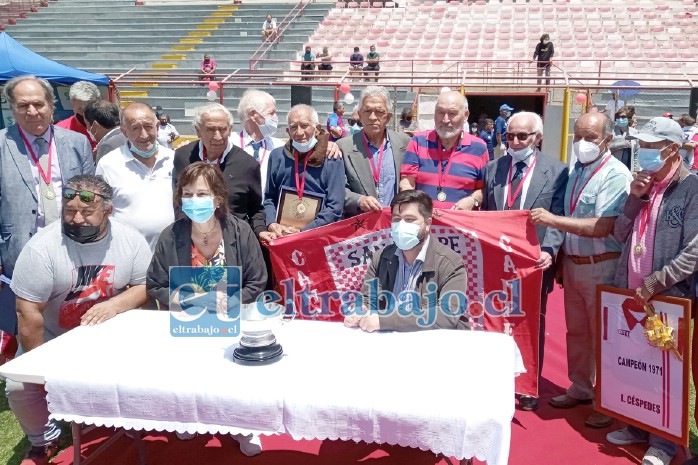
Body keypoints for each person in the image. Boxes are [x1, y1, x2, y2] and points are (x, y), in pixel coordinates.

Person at [6, 174, 151, 465]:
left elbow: (146, 286)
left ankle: (126, 418)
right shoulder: (41, 248)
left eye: (87, 212)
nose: (77, 219)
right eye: (70, 212)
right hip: (53, 339)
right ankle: (43, 439)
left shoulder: (130, 240)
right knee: (18, 384)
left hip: (110, 337)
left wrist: (115, 304)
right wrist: (42, 369)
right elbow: (28, 312)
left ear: (108, 210)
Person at [604, 117, 698, 465]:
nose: (643, 152)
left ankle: (663, 442)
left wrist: (658, 280)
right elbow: (620, 232)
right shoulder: (643, 185)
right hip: (631, 290)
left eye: (651, 147)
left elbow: (695, 250)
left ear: (673, 150)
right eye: (642, 145)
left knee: (665, 369)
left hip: (668, 297)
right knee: (634, 364)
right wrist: (633, 198)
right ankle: (637, 425)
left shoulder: (692, 189)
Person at [530, 112, 632, 429]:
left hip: (602, 267)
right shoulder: (577, 171)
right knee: (578, 332)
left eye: (590, 137)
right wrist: (561, 259)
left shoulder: (615, 174)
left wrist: (551, 220)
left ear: (607, 140)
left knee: (605, 337)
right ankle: (581, 387)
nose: (583, 143)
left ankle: (610, 399)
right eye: (578, 136)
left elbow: (602, 226)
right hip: (574, 267)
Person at [0, 75, 94, 362]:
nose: (32, 112)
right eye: (23, 105)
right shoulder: (2, 145)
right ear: (11, 108)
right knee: (28, 321)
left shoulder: (77, 142)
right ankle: (32, 372)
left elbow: (91, 194)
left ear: (52, 105)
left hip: (72, 248)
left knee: (71, 320)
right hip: (20, 252)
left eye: (38, 104)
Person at [481, 111, 568, 412]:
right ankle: (496, 378)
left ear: (537, 138)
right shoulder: (493, 168)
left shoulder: (557, 171)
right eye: (510, 136)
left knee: (532, 320)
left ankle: (528, 384)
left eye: (522, 136)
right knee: (493, 317)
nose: (515, 142)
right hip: (496, 260)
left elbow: (558, 217)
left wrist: (551, 249)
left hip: (534, 261)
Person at [343, 189, 468, 332]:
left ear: (427, 224)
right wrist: (359, 311)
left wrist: (385, 321)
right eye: (396, 219)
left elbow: (447, 315)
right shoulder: (381, 257)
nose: (402, 225)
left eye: (410, 219)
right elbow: (367, 300)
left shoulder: (451, 263)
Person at [174, 103, 266, 238]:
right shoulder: (183, 157)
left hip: (233, 242)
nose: (217, 136)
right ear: (198, 131)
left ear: (230, 129)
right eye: (210, 130)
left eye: (222, 129)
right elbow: (178, 200)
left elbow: (256, 210)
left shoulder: (247, 165)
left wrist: (260, 231)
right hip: (190, 239)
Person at [96, 103, 175, 252]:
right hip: (125, 253)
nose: (144, 135)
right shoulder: (108, 164)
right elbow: (100, 210)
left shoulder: (174, 160)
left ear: (157, 127)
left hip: (169, 252)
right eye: (135, 128)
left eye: (148, 126)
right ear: (124, 132)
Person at [261, 104, 344, 241]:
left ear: (317, 129)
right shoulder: (277, 157)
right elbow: (269, 197)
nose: (299, 132)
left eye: (304, 125)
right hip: (281, 236)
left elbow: (335, 207)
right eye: (293, 127)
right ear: (288, 131)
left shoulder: (332, 159)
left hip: (318, 238)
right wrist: (271, 223)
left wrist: (303, 232)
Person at [399, 91, 489, 210]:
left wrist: (473, 200)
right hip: (425, 224)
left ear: (466, 115)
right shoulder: (418, 142)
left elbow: (483, 189)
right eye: (440, 112)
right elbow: (407, 183)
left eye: (452, 113)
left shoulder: (479, 148)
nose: (445, 120)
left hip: (460, 225)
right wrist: (416, 206)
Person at [338, 86, 411, 217]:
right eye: (367, 111)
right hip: (362, 228)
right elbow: (336, 190)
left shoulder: (405, 143)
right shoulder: (343, 147)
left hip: (396, 224)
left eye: (379, 111)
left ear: (388, 117)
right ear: (359, 115)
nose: (372, 117)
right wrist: (359, 200)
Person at [233, 89, 285, 198]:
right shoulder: (229, 143)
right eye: (271, 113)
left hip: (267, 210)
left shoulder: (279, 147)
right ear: (253, 114)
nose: (276, 117)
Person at [56, 80, 101, 151]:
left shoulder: (107, 125)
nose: (86, 114)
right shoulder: (61, 129)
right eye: (81, 109)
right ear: (72, 103)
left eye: (89, 107)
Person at [84, 99, 127, 163]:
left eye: (86, 124)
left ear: (95, 125)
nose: (86, 129)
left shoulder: (107, 146)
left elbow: (104, 172)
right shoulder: (127, 135)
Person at [609, 107, 636, 171]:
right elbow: (606, 148)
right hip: (614, 167)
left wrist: (635, 169)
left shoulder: (634, 132)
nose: (620, 119)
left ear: (629, 119)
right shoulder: (611, 132)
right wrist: (622, 144)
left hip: (629, 168)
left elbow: (636, 151)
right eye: (618, 117)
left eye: (623, 117)